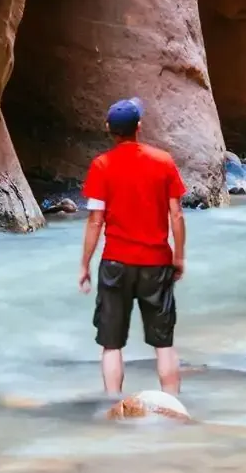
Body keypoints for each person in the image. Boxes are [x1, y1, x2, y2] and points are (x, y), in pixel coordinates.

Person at [76, 96, 186, 399]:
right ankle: (172, 405)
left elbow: (95, 221)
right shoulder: (163, 161)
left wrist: (85, 265)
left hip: (115, 264)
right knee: (163, 343)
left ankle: (113, 404)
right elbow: (176, 214)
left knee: (111, 344)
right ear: (139, 127)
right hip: (156, 262)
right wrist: (179, 257)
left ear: (109, 128)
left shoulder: (101, 166)